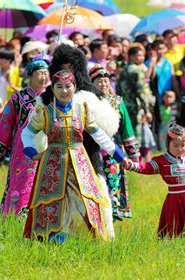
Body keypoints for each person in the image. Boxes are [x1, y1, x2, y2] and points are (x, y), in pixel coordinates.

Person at [21, 70, 126, 243]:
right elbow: (26, 134)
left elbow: (97, 133)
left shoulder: (82, 108)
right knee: (52, 201)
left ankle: (84, 239)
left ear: (75, 87)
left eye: (68, 86)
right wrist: (32, 153)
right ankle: (54, 239)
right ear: (53, 89)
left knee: (87, 200)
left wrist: (119, 155)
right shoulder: (45, 112)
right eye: (59, 87)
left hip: (80, 163)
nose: (64, 91)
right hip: (53, 165)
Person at [0, 59, 49, 218]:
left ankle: (42, 221)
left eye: (45, 73)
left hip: (48, 149)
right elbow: (5, 125)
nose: (43, 77)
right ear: (30, 75)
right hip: (22, 152)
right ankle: (15, 219)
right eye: (39, 73)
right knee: (21, 184)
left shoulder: (52, 98)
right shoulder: (18, 98)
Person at [124, 124, 185, 238]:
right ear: (168, 144)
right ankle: (174, 247)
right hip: (174, 200)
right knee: (174, 228)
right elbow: (146, 167)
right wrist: (132, 165)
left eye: (183, 145)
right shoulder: (162, 161)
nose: (180, 148)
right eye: (175, 145)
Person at [89, 65, 140, 220]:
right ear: (91, 83)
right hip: (92, 150)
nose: (103, 84)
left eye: (106, 81)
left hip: (113, 151)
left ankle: (112, 213)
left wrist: (133, 153)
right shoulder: (88, 101)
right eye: (99, 81)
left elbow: (127, 128)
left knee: (113, 181)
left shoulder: (118, 102)